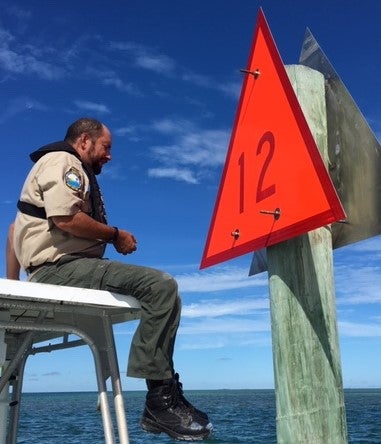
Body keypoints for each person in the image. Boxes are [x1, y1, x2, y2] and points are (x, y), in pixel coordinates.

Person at [12, 117, 212, 441]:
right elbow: (65, 218)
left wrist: (18, 284)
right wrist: (116, 235)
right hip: (60, 269)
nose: (109, 155)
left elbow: (14, 231)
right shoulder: (65, 161)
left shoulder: (64, 167)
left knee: (159, 290)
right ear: (85, 141)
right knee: (160, 286)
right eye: (106, 147)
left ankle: (166, 395)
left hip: (55, 269)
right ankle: (160, 402)